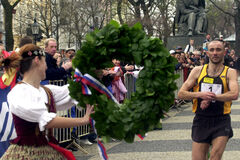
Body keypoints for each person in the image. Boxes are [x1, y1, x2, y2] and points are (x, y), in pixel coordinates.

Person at [0, 44, 94, 159]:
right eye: (45, 62)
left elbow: (70, 92)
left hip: (46, 149)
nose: (46, 67)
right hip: (26, 153)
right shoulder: (19, 92)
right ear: (37, 60)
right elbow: (45, 120)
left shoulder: (46, 91)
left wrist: (92, 74)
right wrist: (82, 120)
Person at [178, 40, 239, 160]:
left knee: (215, 157)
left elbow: (234, 94)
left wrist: (213, 97)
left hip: (221, 119)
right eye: (212, 50)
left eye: (218, 50)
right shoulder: (198, 70)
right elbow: (181, 94)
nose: (215, 53)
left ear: (224, 52)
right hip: (201, 119)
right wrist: (200, 95)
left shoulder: (230, 72)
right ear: (207, 53)